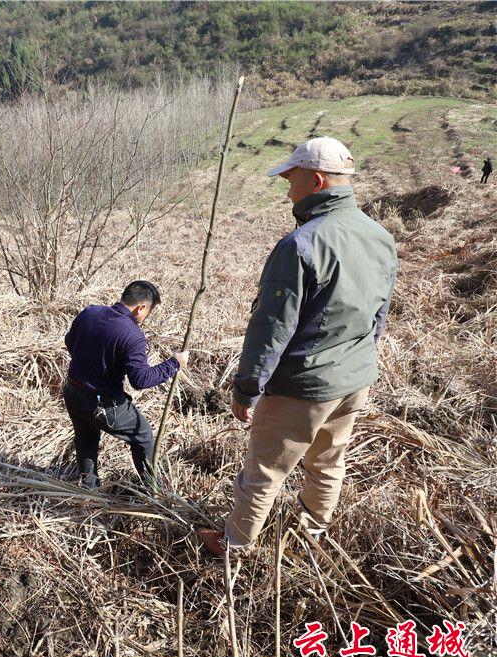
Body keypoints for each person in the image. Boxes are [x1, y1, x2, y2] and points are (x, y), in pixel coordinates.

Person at [198, 137, 398, 557]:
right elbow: (378, 313)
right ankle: (312, 532)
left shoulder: (301, 245)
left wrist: (248, 388)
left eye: (292, 178)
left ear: (317, 180)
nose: (288, 188)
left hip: (302, 386)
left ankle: (234, 545)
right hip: (356, 376)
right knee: (328, 460)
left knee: (265, 469)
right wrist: (359, 357)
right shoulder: (380, 236)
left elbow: (271, 328)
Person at [63, 280, 189, 490]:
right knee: (143, 435)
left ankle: (89, 489)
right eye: (148, 312)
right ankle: (152, 489)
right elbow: (140, 380)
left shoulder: (89, 313)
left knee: (86, 438)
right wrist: (174, 364)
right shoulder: (132, 334)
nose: (145, 319)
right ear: (141, 308)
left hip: (73, 393)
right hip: (103, 404)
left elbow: (70, 341)